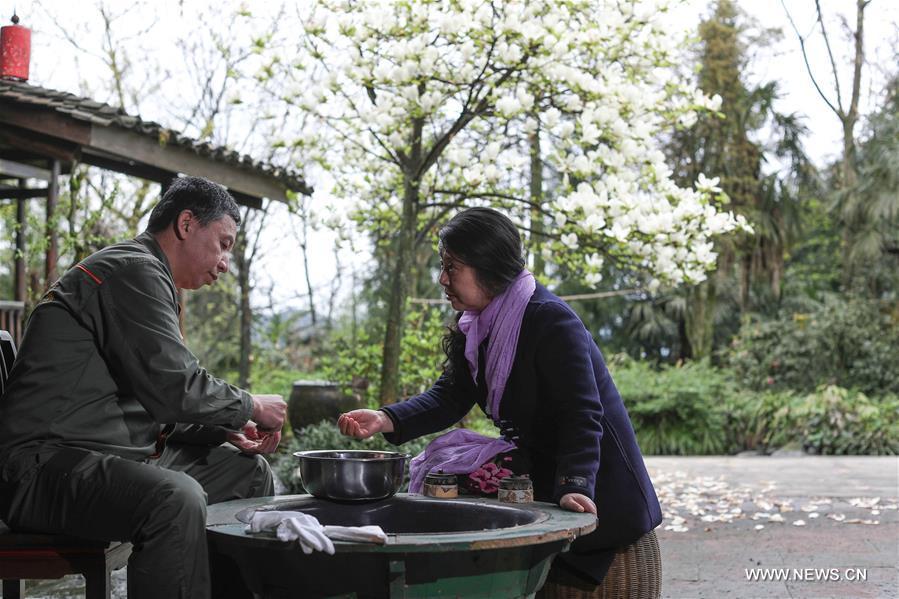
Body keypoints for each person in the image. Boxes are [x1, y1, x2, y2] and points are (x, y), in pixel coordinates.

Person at [338, 207, 662, 596]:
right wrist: (384, 418)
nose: (442, 279)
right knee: (444, 480)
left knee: (464, 483)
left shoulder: (550, 320)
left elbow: (581, 413)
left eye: (451, 267)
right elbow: (451, 395)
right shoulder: (478, 326)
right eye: (443, 266)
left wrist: (575, 484)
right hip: (540, 462)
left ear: (487, 265)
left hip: (597, 479)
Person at [0, 176, 287, 599]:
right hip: (42, 468)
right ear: (186, 224)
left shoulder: (148, 275)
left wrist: (225, 428)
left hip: (102, 453)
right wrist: (251, 406)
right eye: (223, 244)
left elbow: (151, 400)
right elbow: (176, 388)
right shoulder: (133, 270)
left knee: (246, 473)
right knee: (176, 498)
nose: (225, 263)